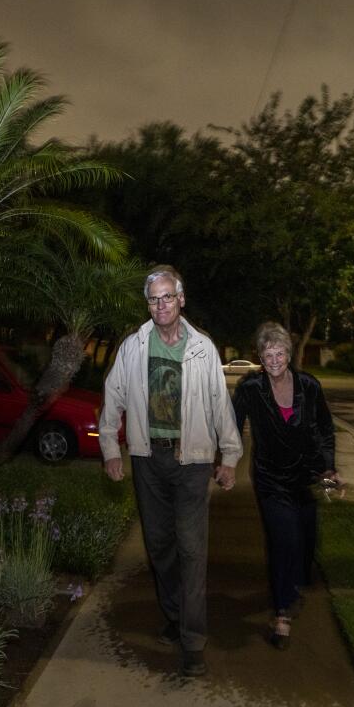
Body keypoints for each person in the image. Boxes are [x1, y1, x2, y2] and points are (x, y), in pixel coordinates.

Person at [99, 265, 242, 677]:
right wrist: (110, 447)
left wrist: (229, 457)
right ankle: (175, 615)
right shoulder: (133, 346)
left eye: (167, 296)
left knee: (192, 550)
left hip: (193, 461)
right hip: (148, 458)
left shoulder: (203, 348)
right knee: (160, 546)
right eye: (153, 298)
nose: (160, 305)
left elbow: (219, 404)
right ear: (148, 304)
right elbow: (114, 397)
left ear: (181, 299)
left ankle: (193, 642)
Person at [232, 321, 340, 650]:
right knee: (284, 539)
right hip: (271, 478)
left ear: (289, 354)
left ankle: (292, 587)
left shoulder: (309, 385)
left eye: (280, 353)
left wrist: (329, 468)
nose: (274, 359)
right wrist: (224, 461)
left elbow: (324, 429)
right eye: (268, 354)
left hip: (305, 476)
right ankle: (282, 614)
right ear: (260, 358)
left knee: (305, 542)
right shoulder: (250, 388)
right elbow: (231, 426)